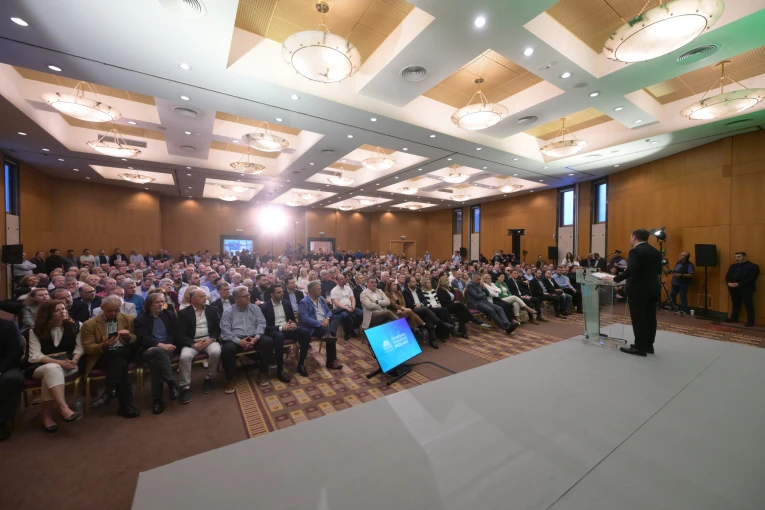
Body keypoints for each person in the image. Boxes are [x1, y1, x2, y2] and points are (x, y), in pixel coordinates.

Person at [26, 300, 84, 431]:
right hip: (40, 366)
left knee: (50, 376)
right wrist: (59, 363)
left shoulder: (76, 326)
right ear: (47, 314)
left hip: (69, 365)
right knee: (52, 368)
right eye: (57, 310)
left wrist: (75, 360)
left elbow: (80, 347)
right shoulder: (35, 331)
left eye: (63, 309)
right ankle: (63, 407)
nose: (62, 312)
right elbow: (35, 355)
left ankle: (47, 416)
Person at [80, 295, 140, 418]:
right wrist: (104, 345)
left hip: (125, 351)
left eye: (116, 310)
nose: (113, 313)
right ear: (102, 308)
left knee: (118, 355)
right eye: (109, 311)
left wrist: (128, 337)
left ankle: (108, 392)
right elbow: (88, 348)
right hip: (103, 355)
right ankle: (124, 406)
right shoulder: (89, 324)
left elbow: (136, 339)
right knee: (120, 364)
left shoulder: (129, 319)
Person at [608, 229, 663, 356]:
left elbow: (631, 270)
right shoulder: (655, 251)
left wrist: (615, 279)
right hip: (653, 288)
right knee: (650, 317)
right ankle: (648, 346)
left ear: (634, 237)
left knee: (639, 318)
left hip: (639, 289)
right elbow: (659, 270)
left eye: (630, 237)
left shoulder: (635, 251)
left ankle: (639, 347)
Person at [220, 286, 284, 390]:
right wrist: (239, 341)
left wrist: (256, 338)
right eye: (245, 296)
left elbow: (261, 324)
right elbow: (225, 330)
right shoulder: (228, 312)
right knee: (227, 349)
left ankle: (262, 372)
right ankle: (230, 379)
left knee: (268, 342)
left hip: (253, 336)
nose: (248, 297)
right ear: (236, 299)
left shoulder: (255, 308)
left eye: (248, 295)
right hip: (236, 338)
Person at [134, 292, 180, 414]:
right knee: (159, 352)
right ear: (149, 304)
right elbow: (143, 338)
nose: (161, 304)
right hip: (149, 349)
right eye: (157, 302)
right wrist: (159, 345)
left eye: (162, 302)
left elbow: (174, 333)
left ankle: (157, 399)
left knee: (156, 362)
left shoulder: (170, 315)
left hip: (168, 348)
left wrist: (166, 345)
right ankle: (171, 383)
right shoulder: (141, 319)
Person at [261, 284, 318, 378]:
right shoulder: (265, 307)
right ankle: (280, 370)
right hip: (274, 330)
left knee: (305, 332)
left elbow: (292, 319)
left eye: (282, 291)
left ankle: (301, 364)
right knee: (279, 336)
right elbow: (265, 327)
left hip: (288, 328)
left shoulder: (286, 303)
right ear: (271, 294)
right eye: (278, 292)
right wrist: (281, 328)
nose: (282, 293)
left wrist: (295, 324)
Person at [177, 289, 222, 403]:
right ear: (193, 300)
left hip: (208, 339)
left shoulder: (212, 309)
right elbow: (180, 334)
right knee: (185, 357)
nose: (205, 298)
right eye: (202, 296)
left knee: (216, 351)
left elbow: (217, 328)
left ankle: (209, 378)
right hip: (192, 341)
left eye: (205, 296)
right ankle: (185, 386)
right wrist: (193, 343)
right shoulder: (184, 313)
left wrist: (211, 339)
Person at [297, 282, 345, 370]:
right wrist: (319, 323)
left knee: (337, 317)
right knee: (330, 335)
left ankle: (329, 334)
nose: (321, 290)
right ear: (311, 291)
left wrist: (327, 318)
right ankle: (331, 361)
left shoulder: (321, 299)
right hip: (314, 327)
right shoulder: (304, 302)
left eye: (320, 288)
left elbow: (329, 311)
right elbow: (305, 318)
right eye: (318, 289)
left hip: (325, 322)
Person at [403, 276, 455, 346]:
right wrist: (419, 305)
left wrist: (421, 304)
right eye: (413, 282)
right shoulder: (405, 291)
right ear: (408, 283)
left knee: (428, 317)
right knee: (426, 309)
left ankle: (432, 340)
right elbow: (409, 304)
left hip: (422, 308)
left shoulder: (418, 289)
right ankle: (441, 324)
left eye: (415, 281)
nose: (416, 283)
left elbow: (424, 300)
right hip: (413, 310)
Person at [0, 319, 24, 441]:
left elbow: (16, 352)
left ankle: (2, 422)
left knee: (13, 379)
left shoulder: (8, 326)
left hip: (7, 367)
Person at [725, 252, 759, 327]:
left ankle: (750, 321)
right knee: (735, 303)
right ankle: (734, 318)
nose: (736, 258)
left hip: (746, 288)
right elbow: (728, 275)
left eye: (739, 257)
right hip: (733, 288)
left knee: (748, 304)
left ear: (744, 257)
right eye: (735, 257)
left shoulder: (752, 266)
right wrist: (728, 282)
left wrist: (739, 284)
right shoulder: (733, 266)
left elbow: (752, 278)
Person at [329, 273, 362, 340]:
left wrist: (353, 306)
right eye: (341, 279)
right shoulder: (334, 290)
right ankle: (347, 332)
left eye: (344, 278)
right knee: (345, 315)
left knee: (361, 313)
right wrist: (346, 308)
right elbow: (336, 303)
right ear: (337, 281)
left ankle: (352, 328)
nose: (344, 280)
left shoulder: (348, 288)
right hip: (340, 309)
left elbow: (352, 298)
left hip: (350, 307)